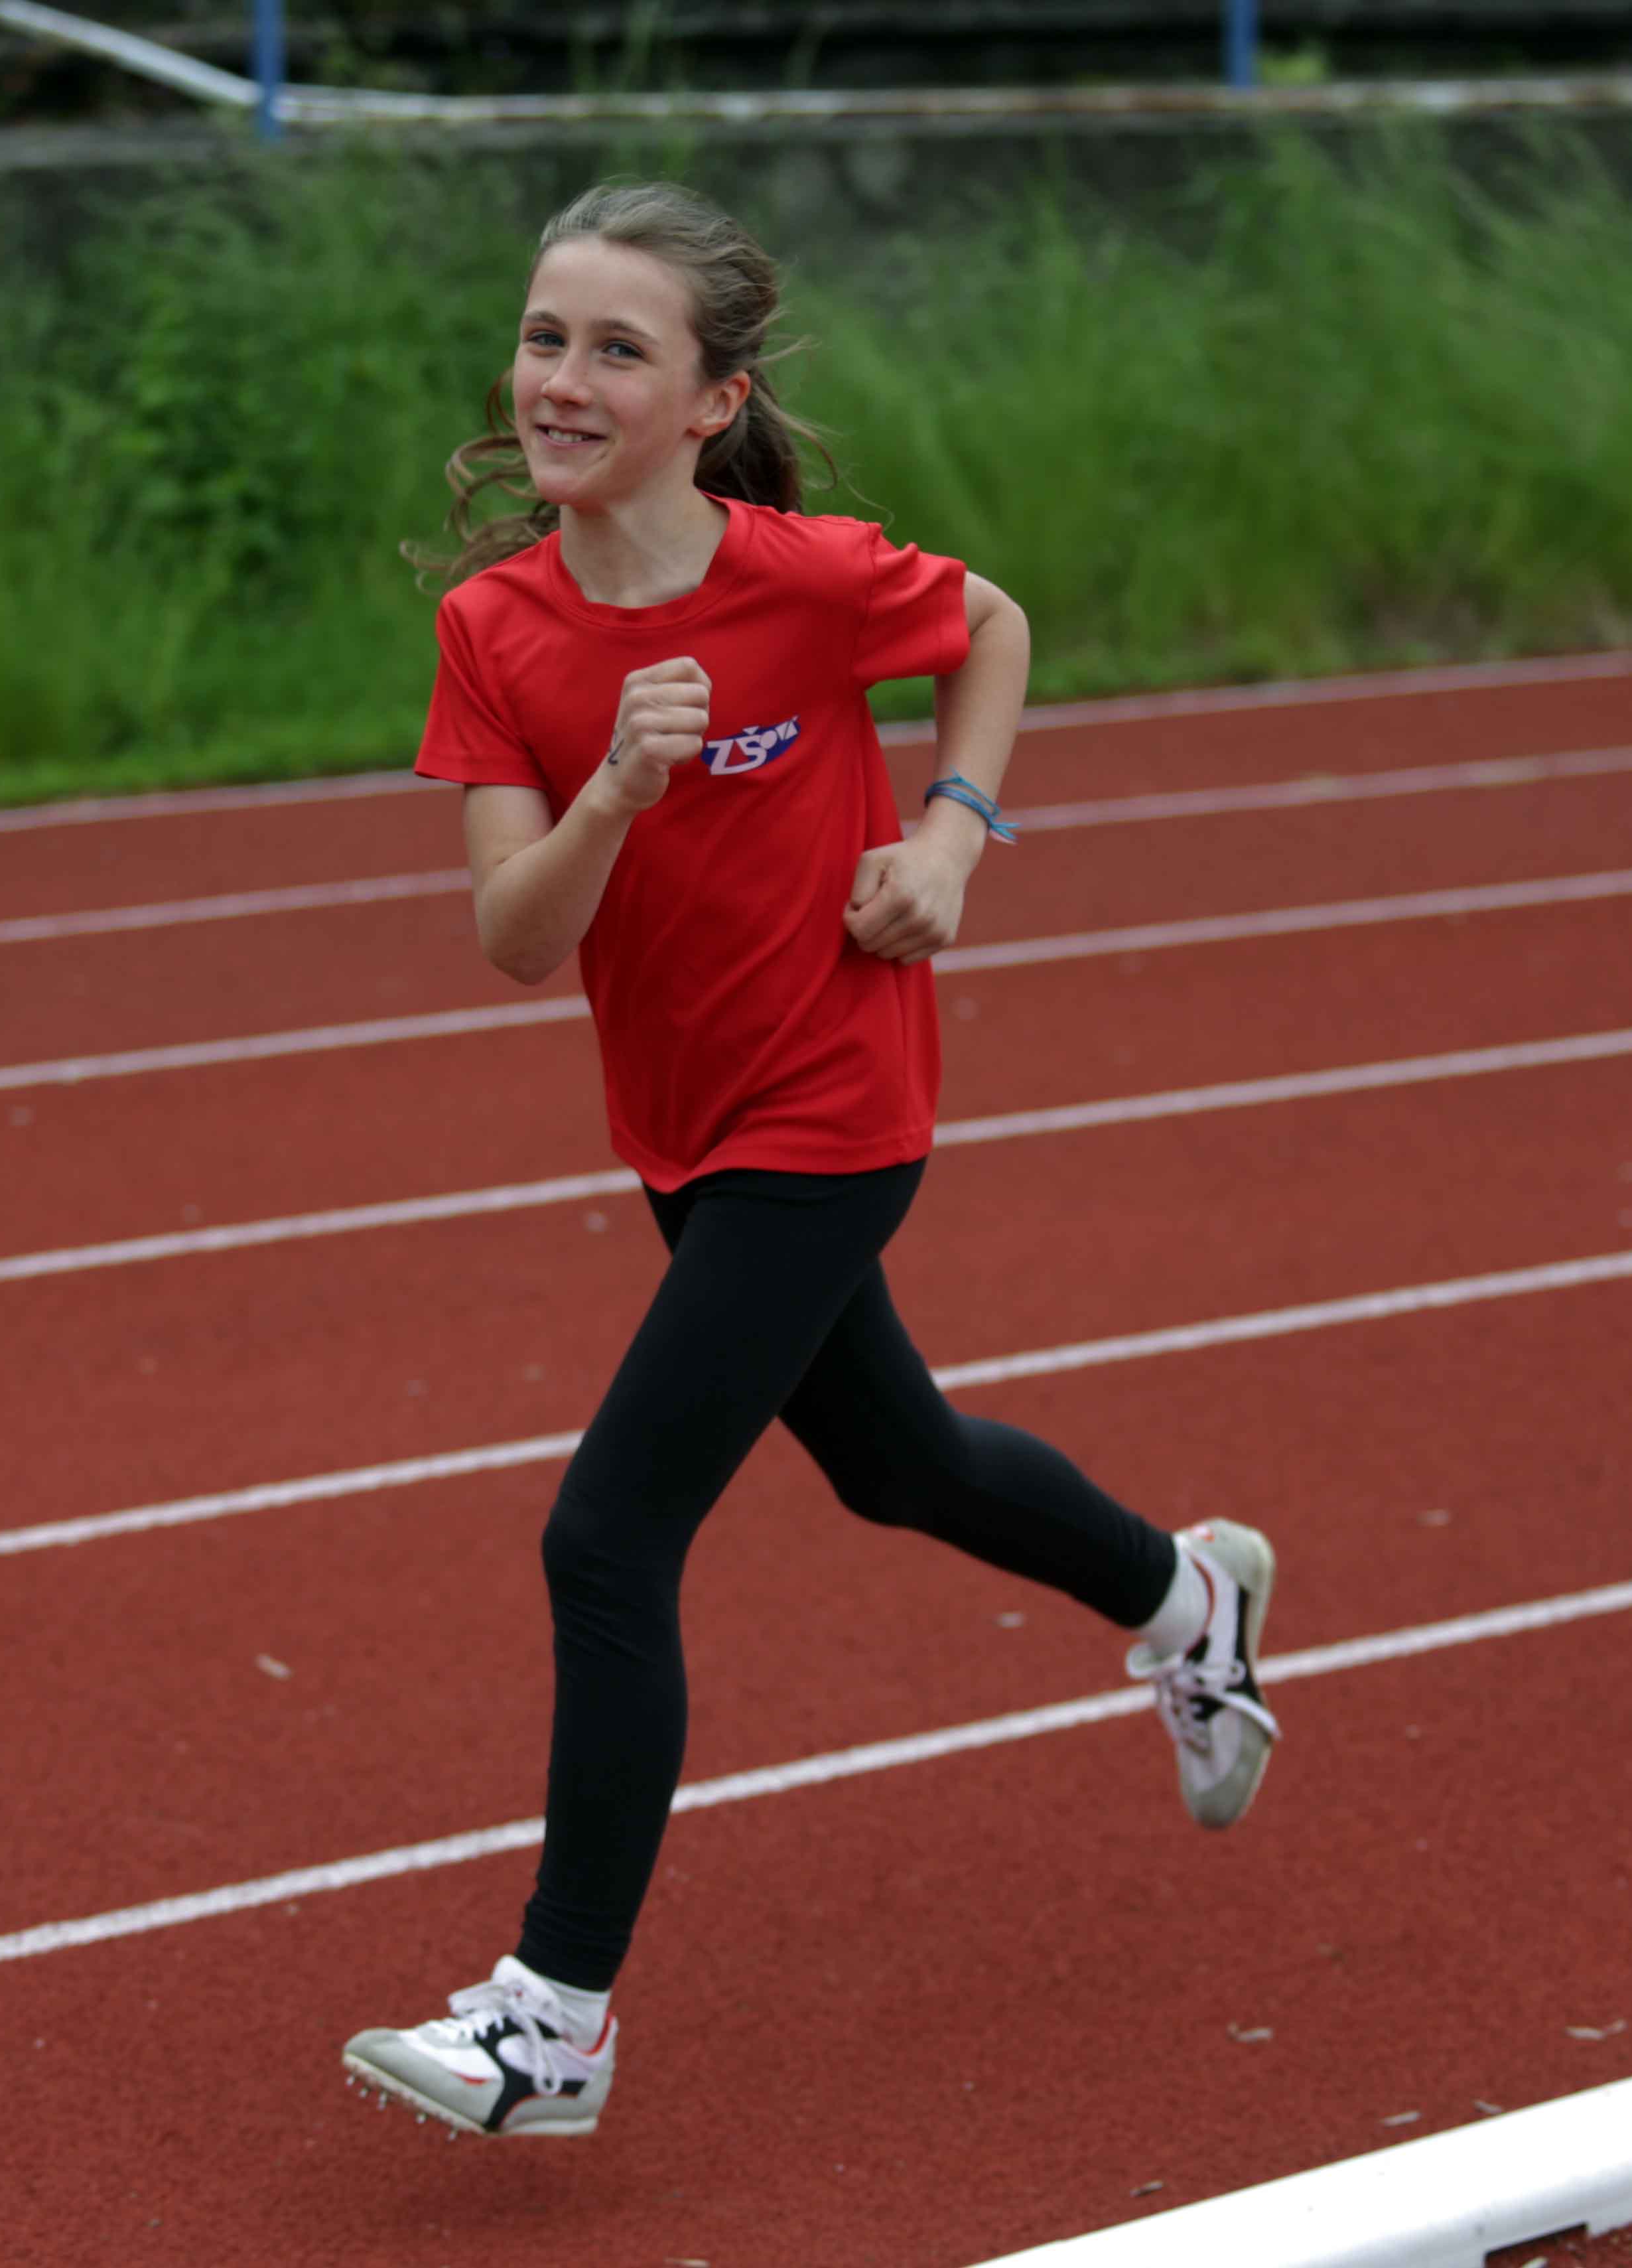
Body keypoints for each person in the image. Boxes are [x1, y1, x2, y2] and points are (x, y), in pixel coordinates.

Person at [339, 181, 1281, 2141]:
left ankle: (555, 2020)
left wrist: (949, 834)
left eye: (618, 350)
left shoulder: (810, 581)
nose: (561, 380)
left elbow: (991, 624)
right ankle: (1186, 1596)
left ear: (712, 403)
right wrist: (617, 786)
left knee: (608, 1535)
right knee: (897, 1462)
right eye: (544, 337)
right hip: (680, 1124)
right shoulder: (491, 630)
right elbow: (516, 937)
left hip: (836, 1108)